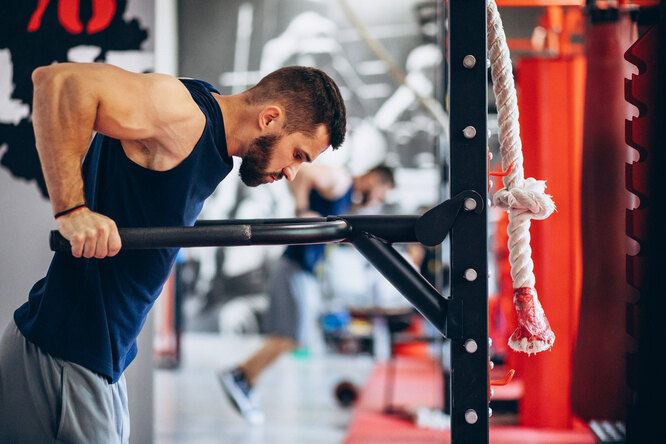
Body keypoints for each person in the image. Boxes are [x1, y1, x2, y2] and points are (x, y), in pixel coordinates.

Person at [0, 62, 346, 443]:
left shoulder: (208, 123)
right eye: (298, 154)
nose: (293, 173)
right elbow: (57, 82)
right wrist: (72, 210)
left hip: (96, 353)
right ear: (269, 118)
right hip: (66, 352)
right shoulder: (186, 116)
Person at [219, 163, 394, 424]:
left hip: (302, 270)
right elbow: (306, 172)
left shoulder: (347, 195)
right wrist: (301, 209)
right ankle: (240, 375)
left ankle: (246, 380)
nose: (378, 199)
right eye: (382, 192)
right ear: (374, 179)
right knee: (294, 336)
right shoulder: (341, 179)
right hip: (295, 266)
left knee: (291, 336)